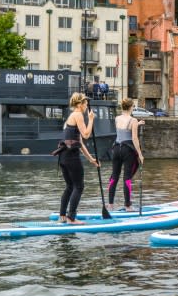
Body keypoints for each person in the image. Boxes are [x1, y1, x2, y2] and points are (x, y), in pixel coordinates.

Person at [55, 92, 99, 224]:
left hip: (63, 156)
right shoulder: (78, 114)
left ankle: (62, 216)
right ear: (79, 104)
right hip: (71, 157)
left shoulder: (71, 116)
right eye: (85, 103)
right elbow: (86, 134)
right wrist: (91, 120)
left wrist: (91, 159)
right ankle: (71, 218)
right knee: (78, 187)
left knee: (70, 186)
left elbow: (80, 142)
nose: (87, 106)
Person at [107, 98, 145, 211]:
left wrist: (137, 124)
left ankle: (110, 204)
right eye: (133, 106)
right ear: (130, 107)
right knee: (127, 178)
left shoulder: (117, 118)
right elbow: (134, 138)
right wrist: (140, 154)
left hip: (116, 149)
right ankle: (128, 205)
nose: (133, 108)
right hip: (127, 150)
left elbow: (123, 131)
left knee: (114, 177)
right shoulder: (133, 120)